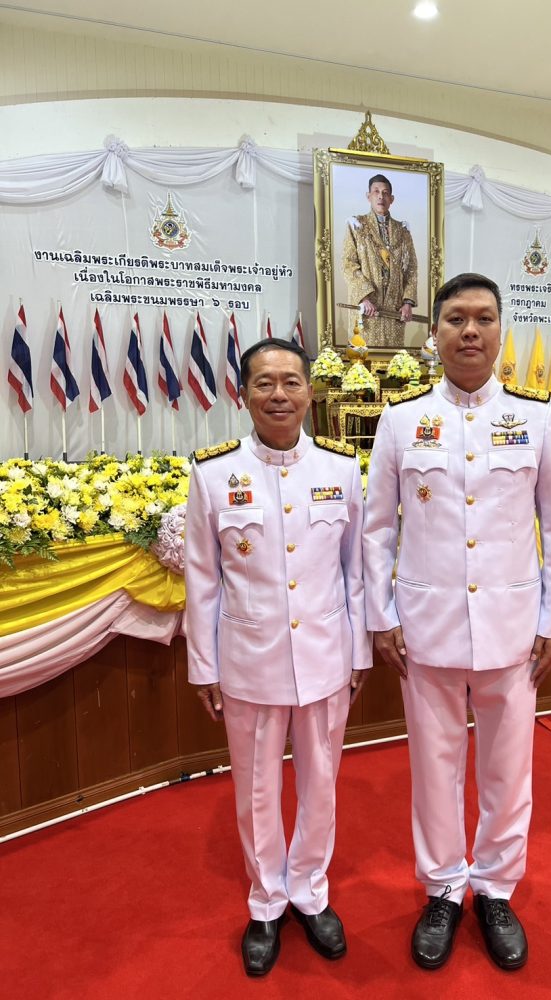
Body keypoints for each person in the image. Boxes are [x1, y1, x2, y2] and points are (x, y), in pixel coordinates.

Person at [363, 273, 551, 972]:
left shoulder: (537, 417)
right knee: (434, 766)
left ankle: (495, 888)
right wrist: (382, 615)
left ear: (501, 331)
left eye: (484, 318)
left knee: (508, 768)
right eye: (456, 318)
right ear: (434, 333)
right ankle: (443, 889)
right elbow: (376, 530)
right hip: (425, 626)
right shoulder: (401, 421)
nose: (470, 331)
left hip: (513, 625)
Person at [184, 337, 371, 977]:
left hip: (325, 655)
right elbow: (202, 579)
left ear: (310, 393)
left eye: (291, 381)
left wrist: (360, 651)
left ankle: (310, 892)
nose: (279, 394)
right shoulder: (214, 474)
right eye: (264, 382)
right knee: (257, 789)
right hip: (249, 659)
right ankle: (266, 901)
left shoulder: (341, 469)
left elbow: (355, 571)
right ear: (244, 394)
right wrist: (204, 666)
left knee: (321, 783)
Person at [341, 173, 418, 349]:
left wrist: (407, 303)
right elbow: (348, 264)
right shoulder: (357, 225)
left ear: (392, 199)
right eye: (376, 191)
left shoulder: (402, 230)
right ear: (368, 196)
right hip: (368, 309)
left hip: (394, 310)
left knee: (394, 361)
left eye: (385, 193)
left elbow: (411, 268)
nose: (380, 196)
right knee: (364, 357)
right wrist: (364, 297)